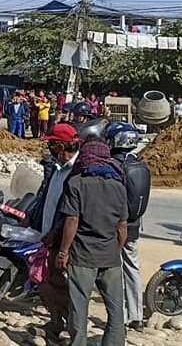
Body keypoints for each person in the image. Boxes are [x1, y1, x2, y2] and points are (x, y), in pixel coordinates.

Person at [56, 140, 128, 346]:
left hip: (82, 256)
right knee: (115, 310)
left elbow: (72, 220)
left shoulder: (76, 182)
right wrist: (116, 250)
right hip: (110, 257)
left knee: (79, 307)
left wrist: (63, 252)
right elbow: (122, 227)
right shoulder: (118, 186)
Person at [31, 123, 82, 341]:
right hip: (48, 236)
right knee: (43, 279)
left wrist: (62, 244)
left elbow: (73, 212)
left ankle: (69, 328)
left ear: (61, 146)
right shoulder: (57, 169)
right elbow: (46, 198)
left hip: (63, 241)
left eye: (52, 145)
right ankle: (56, 322)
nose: (49, 149)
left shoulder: (78, 170)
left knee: (61, 285)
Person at [107, 123, 151, 330]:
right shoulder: (140, 165)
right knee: (132, 268)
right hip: (134, 227)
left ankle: (119, 318)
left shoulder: (115, 165)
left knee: (114, 270)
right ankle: (137, 315)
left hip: (115, 227)